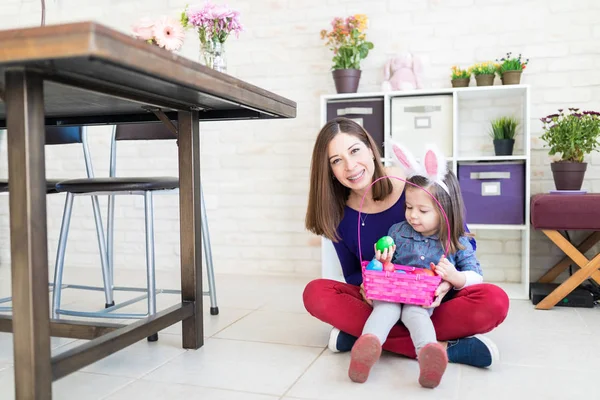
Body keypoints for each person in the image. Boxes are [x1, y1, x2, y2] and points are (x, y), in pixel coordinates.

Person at [303, 117, 509, 372]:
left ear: (370, 148)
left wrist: (448, 281)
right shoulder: (338, 215)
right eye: (336, 160)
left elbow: (459, 238)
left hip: (432, 300)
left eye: (355, 150)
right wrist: (368, 285)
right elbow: (354, 275)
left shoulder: (414, 184)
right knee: (316, 293)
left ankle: (367, 338)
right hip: (381, 301)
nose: (350, 166)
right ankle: (443, 349)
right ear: (329, 171)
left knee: (494, 301)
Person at [348, 142, 484, 388]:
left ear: (445, 211)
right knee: (385, 309)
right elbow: (382, 265)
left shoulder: (455, 241)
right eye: (409, 207)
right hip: (391, 292)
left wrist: (454, 277)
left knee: (416, 314)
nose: (412, 215)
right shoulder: (398, 231)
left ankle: (429, 356)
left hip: (421, 299)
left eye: (422, 210)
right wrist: (382, 260)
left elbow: (477, 276)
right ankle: (367, 347)